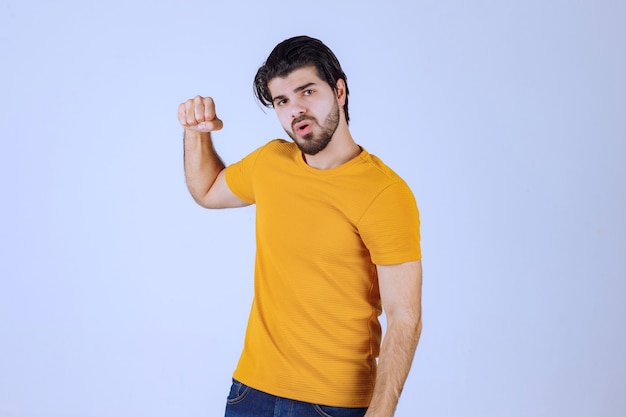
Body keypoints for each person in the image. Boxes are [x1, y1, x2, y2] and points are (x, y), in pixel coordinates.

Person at [177, 35, 422, 417]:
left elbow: (404, 317)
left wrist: (381, 411)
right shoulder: (271, 162)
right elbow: (207, 190)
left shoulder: (385, 193)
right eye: (282, 101)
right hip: (249, 393)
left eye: (307, 91)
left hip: (333, 404)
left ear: (339, 91)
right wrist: (196, 132)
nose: (296, 110)